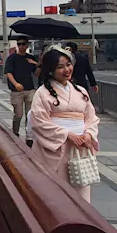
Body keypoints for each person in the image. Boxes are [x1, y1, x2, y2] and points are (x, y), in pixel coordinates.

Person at [28, 45, 100, 202]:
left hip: (79, 146)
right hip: (56, 148)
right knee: (56, 193)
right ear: (50, 70)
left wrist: (88, 134)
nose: (67, 69)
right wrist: (67, 134)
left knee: (80, 190)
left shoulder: (80, 91)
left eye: (68, 65)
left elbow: (91, 118)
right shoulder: (42, 93)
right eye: (60, 67)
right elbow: (38, 121)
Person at [4, 39, 39, 145]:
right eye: (19, 44)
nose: (21, 46)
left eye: (23, 44)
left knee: (30, 114)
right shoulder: (12, 58)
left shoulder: (31, 58)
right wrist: (15, 84)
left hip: (30, 89)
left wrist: (37, 64)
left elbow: (36, 74)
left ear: (27, 45)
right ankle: (15, 132)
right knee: (18, 114)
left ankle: (29, 137)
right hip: (16, 91)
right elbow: (8, 73)